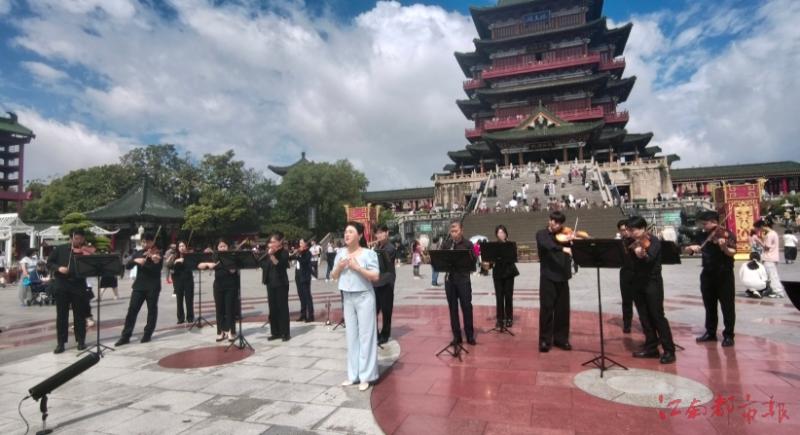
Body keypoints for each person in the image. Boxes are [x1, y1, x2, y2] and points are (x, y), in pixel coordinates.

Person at [331, 222, 380, 392]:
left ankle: (366, 375)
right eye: (346, 232)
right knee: (351, 336)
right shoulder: (340, 253)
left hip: (364, 296)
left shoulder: (368, 254)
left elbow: (375, 276)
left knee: (366, 335)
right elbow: (333, 275)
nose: (347, 235)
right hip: (347, 297)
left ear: (359, 235)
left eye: (351, 232)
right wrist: (339, 267)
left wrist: (357, 268)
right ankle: (353, 375)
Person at [627, 216, 676, 364]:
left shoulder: (653, 241)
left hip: (652, 282)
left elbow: (650, 258)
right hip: (637, 282)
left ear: (643, 228)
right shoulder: (630, 242)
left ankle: (669, 350)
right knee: (644, 316)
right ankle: (651, 347)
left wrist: (641, 254)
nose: (631, 233)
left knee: (657, 316)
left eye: (634, 230)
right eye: (630, 230)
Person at [685, 211, 737, 347]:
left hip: (724, 274)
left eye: (705, 224)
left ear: (714, 222)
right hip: (707, 273)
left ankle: (729, 335)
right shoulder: (702, 235)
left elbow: (732, 252)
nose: (703, 226)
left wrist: (724, 247)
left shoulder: (727, 234)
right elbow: (688, 250)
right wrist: (690, 248)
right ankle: (710, 332)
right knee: (709, 306)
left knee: (727, 307)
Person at [115, 232, 162, 346]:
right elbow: (127, 266)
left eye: (148, 242)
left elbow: (157, 268)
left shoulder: (158, 253)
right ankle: (125, 336)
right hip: (139, 286)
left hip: (153, 286)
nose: (146, 244)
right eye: (144, 242)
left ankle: (147, 334)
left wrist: (155, 260)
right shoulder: (138, 253)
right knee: (132, 310)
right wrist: (135, 261)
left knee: (151, 310)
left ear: (153, 242)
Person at [47, 229, 90, 353]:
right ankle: (61, 343)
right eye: (76, 238)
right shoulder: (60, 249)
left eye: (81, 239)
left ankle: (81, 341)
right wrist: (58, 268)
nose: (79, 241)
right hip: (62, 284)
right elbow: (49, 263)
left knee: (80, 315)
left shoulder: (85, 251)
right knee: (62, 315)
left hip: (78, 285)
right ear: (71, 238)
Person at [536, 210, 573, 352]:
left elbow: (573, 250)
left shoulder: (565, 235)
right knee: (546, 309)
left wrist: (572, 241)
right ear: (550, 220)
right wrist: (563, 248)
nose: (556, 224)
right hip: (548, 276)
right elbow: (548, 245)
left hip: (563, 276)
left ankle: (561, 339)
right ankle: (545, 340)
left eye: (559, 223)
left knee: (563, 310)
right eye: (554, 221)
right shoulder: (542, 234)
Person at [442, 220, 477, 345]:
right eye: (452, 231)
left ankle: (470, 335)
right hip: (450, 280)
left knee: (466, 307)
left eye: (456, 231)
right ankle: (456, 336)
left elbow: (473, 261)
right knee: (453, 308)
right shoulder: (446, 244)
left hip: (463, 280)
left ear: (462, 231)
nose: (453, 233)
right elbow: (441, 260)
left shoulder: (468, 244)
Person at [197, 239, 239, 342]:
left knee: (229, 309)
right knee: (219, 310)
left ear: (228, 247)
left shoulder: (232, 256)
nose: (223, 248)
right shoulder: (214, 256)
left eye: (224, 246)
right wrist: (208, 264)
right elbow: (199, 266)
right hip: (218, 286)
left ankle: (231, 331)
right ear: (217, 248)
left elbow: (233, 270)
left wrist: (224, 263)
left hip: (231, 286)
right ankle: (221, 332)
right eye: (220, 246)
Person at [260, 232, 291, 341]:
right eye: (270, 242)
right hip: (270, 283)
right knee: (272, 308)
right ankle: (275, 332)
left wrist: (272, 255)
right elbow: (262, 264)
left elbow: (280, 265)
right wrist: (265, 256)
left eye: (273, 242)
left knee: (282, 308)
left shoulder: (284, 252)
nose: (271, 244)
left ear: (279, 242)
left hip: (281, 283)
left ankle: (285, 333)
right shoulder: (267, 252)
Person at [488, 225, 519, 328]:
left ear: (506, 234)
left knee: (508, 296)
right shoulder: (494, 246)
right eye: (499, 233)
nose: (501, 234)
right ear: (496, 234)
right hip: (498, 274)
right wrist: (488, 264)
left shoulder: (511, 245)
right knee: (499, 297)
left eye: (502, 232)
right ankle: (500, 319)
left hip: (509, 273)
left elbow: (514, 258)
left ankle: (509, 318)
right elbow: (490, 261)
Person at [372, 225, 397, 345]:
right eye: (377, 233)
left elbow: (381, 263)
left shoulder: (390, 248)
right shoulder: (377, 247)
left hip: (386, 282)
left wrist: (372, 254)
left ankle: (385, 335)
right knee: (374, 310)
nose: (379, 235)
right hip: (376, 282)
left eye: (382, 232)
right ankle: (375, 333)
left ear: (387, 233)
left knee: (386, 311)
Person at [755, 219, 785, 298]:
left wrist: (759, 242)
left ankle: (778, 291)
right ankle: (771, 290)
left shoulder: (769, 235)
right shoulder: (773, 233)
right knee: (770, 275)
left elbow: (767, 247)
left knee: (772, 276)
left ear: (761, 226)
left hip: (769, 258)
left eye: (758, 228)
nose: (758, 230)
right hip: (773, 257)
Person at [167, 241, 194, 324]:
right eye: (180, 246)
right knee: (179, 299)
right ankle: (180, 318)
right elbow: (169, 266)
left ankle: (190, 317)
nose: (182, 248)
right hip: (178, 280)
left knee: (189, 299)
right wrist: (176, 261)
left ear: (186, 247)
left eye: (183, 246)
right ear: (178, 248)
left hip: (188, 279)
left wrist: (186, 260)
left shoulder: (189, 255)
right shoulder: (174, 256)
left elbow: (193, 265)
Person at [617, 219, 635, 333]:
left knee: (642, 301)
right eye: (623, 230)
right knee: (626, 300)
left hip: (638, 273)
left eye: (627, 229)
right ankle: (627, 324)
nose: (626, 232)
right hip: (625, 273)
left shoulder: (637, 240)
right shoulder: (620, 243)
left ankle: (648, 325)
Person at [291, 239, 314, 322]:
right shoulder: (299, 252)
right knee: (301, 295)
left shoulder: (308, 253)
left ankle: (310, 315)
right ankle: (303, 314)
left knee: (307, 296)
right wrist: (294, 253)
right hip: (298, 275)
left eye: (301, 243)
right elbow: (291, 257)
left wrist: (298, 256)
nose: (299, 244)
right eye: (299, 243)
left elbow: (304, 262)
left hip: (305, 276)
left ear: (306, 244)